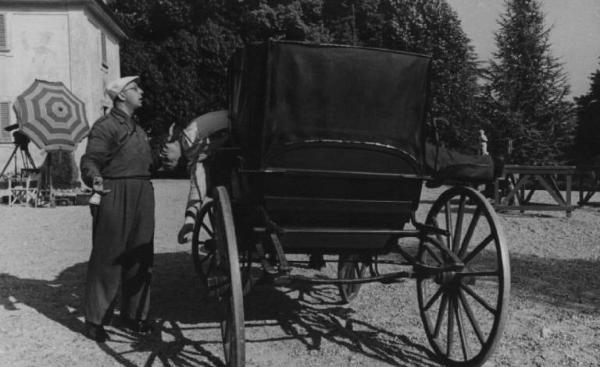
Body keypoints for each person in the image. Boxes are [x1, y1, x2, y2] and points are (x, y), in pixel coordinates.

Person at [80, 76, 155, 342]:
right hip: (114, 192)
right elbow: (90, 159)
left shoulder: (137, 127)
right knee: (108, 257)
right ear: (121, 96)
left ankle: (134, 315)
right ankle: (95, 320)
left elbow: (144, 161)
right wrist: (94, 178)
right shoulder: (106, 126)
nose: (141, 91)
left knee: (140, 255)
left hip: (143, 192)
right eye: (136, 88)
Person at [160, 110, 229, 244]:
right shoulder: (189, 144)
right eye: (167, 161)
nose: (162, 155)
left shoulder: (187, 139)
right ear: (179, 160)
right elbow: (197, 182)